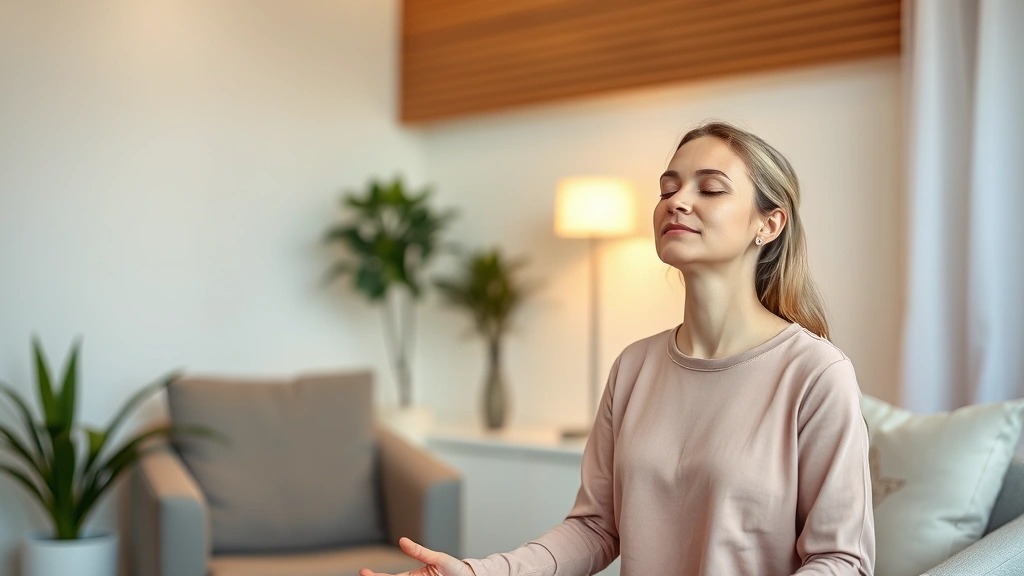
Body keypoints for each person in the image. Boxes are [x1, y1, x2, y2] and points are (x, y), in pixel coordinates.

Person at [360, 121, 875, 576]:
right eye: (667, 188)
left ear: (769, 224)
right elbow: (595, 529)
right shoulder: (635, 366)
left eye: (711, 188)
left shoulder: (815, 374)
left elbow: (841, 560)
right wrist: (482, 573)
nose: (678, 200)